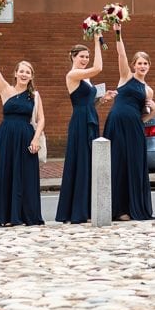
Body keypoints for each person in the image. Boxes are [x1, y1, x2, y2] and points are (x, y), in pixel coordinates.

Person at [0, 40, 45, 226]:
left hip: (26, 138)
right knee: (5, 174)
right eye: (21, 71)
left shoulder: (35, 96)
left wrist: (36, 138)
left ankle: (24, 215)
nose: (24, 74)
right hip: (6, 138)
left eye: (28, 72)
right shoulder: (6, 90)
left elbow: (41, 120)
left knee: (25, 177)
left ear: (31, 76)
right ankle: (4, 216)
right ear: (15, 74)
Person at [55, 30, 113, 223]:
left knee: (90, 163)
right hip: (80, 121)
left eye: (87, 57)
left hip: (91, 117)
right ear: (73, 57)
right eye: (82, 56)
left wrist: (102, 99)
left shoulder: (86, 78)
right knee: (81, 162)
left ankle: (88, 209)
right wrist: (97, 41)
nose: (85, 59)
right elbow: (98, 67)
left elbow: (90, 101)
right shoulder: (73, 74)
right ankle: (78, 211)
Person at [102, 23, 155, 221]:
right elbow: (121, 55)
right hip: (116, 124)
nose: (142, 66)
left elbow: (145, 117)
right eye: (139, 63)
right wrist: (118, 33)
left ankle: (132, 208)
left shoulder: (148, 90)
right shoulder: (125, 77)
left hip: (134, 127)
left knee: (132, 165)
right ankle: (116, 209)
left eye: (145, 64)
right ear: (134, 65)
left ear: (149, 66)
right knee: (117, 163)